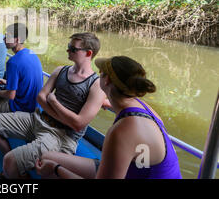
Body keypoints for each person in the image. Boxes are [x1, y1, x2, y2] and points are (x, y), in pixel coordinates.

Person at [35, 56, 182, 179]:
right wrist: (100, 102)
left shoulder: (121, 131)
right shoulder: (141, 105)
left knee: (51, 167)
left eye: (101, 72)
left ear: (107, 81)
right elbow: (116, 102)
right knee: (47, 157)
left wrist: (56, 169)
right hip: (134, 171)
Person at [0, 32, 107, 179]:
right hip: (37, 118)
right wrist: (60, 113)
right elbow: (41, 97)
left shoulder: (96, 85)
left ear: (88, 53)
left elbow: (78, 124)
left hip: (60, 135)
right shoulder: (61, 70)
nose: (68, 50)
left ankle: (13, 171)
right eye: (68, 47)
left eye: (73, 49)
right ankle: (17, 171)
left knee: (10, 161)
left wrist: (53, 102)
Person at [0, 23, 43, 146]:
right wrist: (8, 82)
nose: (4, 39)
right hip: (34, 105)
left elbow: (10, 95)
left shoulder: (13, 62)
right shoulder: (32, 54)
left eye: (7, 36)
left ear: (16, 40)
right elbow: (25, 80)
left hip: (19, 107)